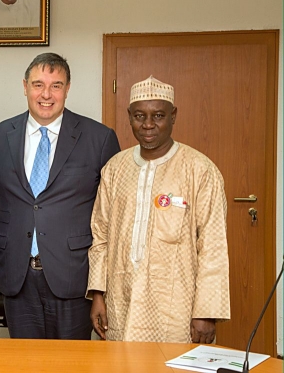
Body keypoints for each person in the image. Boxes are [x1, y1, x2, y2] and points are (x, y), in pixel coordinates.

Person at [87, 75, 230, 343]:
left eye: (159, 115)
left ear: (173, 116)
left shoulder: (200, 170)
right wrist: (97, 295)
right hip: (121, 301)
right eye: (139, 116)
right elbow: (100, 236)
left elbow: (213, 247)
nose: (149, 124)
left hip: (176, 306)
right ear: (129, 116)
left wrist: (206, 312)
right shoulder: (115, 169)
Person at [0, 52, 120, 339]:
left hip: (74, 277)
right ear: (25, 86)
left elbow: (110, 214)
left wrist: (102, 288)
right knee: (25, 365)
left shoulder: (99, 138)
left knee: (72, 366)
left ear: (68, 89)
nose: (46, 94)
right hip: (16, 276)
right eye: (38, 85)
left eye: (56, 86)